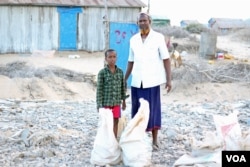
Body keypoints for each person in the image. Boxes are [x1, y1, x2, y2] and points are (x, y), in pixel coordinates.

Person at [124, 12, 172, 149]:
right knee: (137, 110)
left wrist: (169, 80)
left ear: (149, 21)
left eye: (145, 20)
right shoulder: (133, 40)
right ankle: (138, 139)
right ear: (137, 23)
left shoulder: (158, 38)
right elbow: (130, 61)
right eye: (140, 21)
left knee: (153, 110)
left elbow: (166, 59)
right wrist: (125, 79)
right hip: (137, 82)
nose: (143, 23)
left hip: (152, 81)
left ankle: (155, 139)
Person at [96, 49, 126, 139]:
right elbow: (99, 89)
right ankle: (107, 140)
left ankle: (114, 139)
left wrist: (123, 101)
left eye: (114, 57)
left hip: (116, 102)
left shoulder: (120, 72)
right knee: (106, 122)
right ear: (106, 59)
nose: (112, 59)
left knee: (116, 120)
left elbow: (122, 88)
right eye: (110, 57)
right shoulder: (102, 73)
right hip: (106, 103)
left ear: (116, 58)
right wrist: (99, 105)